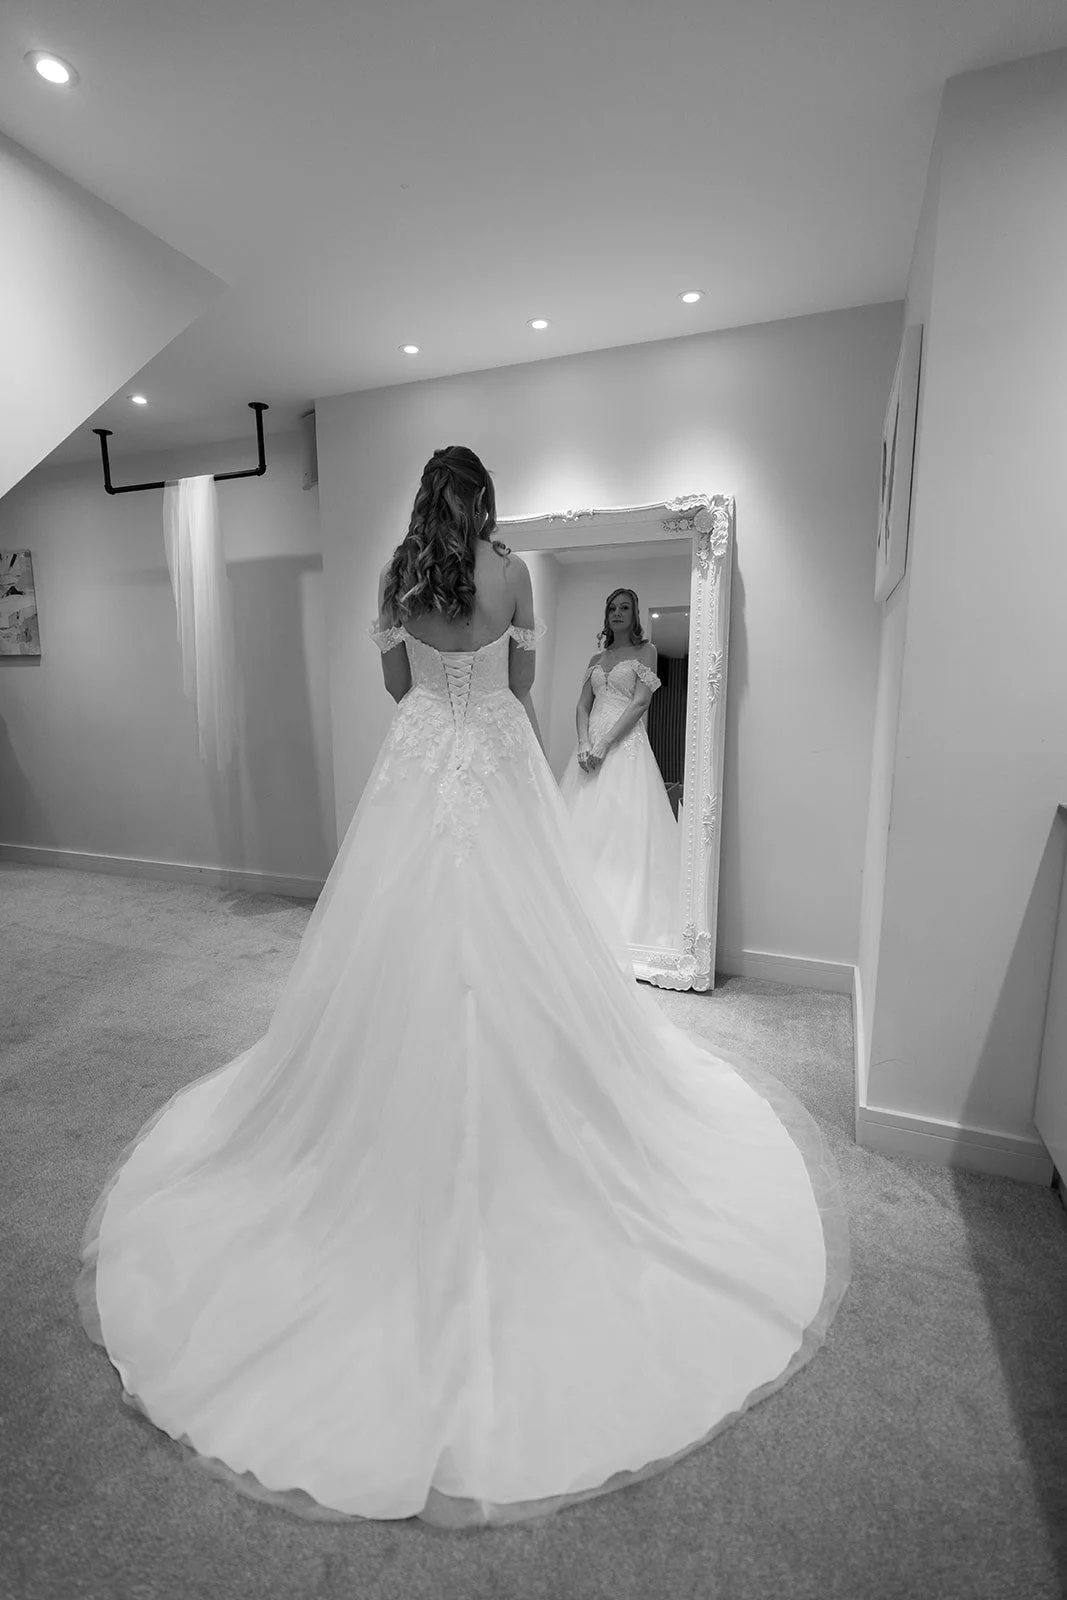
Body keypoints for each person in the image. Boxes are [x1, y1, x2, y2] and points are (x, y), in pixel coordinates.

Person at [75, 445, 850, 1530]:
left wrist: (437, 675)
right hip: (496, 760)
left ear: (418, 501)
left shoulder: (394, 576)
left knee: (396, 950)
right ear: (482, 500)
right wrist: (488, 693)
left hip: (417, 765)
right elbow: (525, 689)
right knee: (530, 946)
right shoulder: (514, 571)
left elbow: (397, 688)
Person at [559, 589, 683, 948]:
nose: (617, 613)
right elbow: (582, 707)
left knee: (622, 828)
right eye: (612, 608)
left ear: (636, 614)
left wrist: (605, 743)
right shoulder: (597, 657)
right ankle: (579, 917)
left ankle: (621, 921)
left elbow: (640, 703)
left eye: (624, 608)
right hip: (589, 749)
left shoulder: (647, 652)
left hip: (624, 745)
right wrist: (584, 743)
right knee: (583, 825)